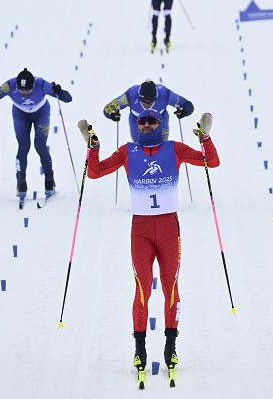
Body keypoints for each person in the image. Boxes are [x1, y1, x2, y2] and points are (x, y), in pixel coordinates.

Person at [77, 109, 218, 386]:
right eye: (141, 122)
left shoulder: (174, 149)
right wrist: (93, 148)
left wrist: (205, 138)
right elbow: (94, 173)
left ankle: (170, 346)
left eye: (152, 121)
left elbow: (210, 162)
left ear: (160, 124)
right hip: (140, 231)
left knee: (170, 288)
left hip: (168, 229)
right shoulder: (127, 151)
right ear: (136, 125)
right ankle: (139, 349)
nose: (146, 126)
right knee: (142, 289)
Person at [0, 68, 72, 199]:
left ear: (33, 86)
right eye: (21, 91)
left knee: (40, 145)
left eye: (28, 91)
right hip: (20, 115)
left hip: (41, 113)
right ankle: (21, 182)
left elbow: (68, 99)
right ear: (16, 87)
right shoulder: (9, 85)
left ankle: (49, 181)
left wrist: (60, 91)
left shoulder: (41, 84)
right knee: (23, 146)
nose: (25, 94)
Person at [102, 78, 194, 142]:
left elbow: (188, 105)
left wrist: (184, 112)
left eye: (150, 103)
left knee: (162, 145)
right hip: (137, 119)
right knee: (138, 145)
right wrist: (112, 115)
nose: (146, 106)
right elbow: (108, 109)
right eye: (143, 103)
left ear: (156, 98)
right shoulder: (131, 94)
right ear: (138, 97)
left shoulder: (164, 93)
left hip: (159, 119)